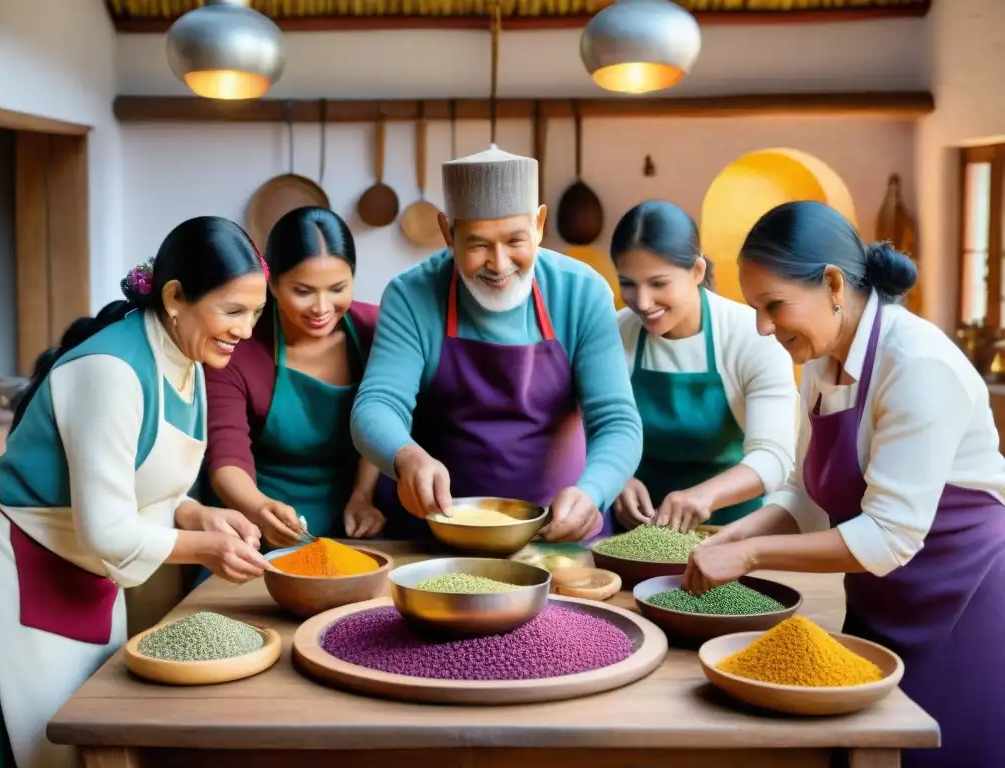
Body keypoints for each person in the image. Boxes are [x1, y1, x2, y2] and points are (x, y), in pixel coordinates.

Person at [683, 200, 1005, 767]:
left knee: (936, 749)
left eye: (773, 305)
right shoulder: (820, 360)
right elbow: (808, 492)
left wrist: (752, 554)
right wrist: (735, 535)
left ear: (832, 283)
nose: (762, 326)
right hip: (881, 599)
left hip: (960, 601)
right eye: (755, 308)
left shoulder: (917, 366)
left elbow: (887, 538)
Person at [0, 216, 273, 768]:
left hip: (96, 576)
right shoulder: (111, 372)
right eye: (232, 311)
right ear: (174, 298)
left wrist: (197, 516)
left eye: (256, 313)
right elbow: (106, 528)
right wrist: (208, 550)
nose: (245, 330)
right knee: (47, 742)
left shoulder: (187, 359)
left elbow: (143, 486)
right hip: (32, 575)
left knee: (92, 731)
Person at [351, 146, 642, 542]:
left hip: (557, 528)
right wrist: (406, 457)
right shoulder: (412, 295)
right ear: (447, 232)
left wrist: (594, 491)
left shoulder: (582, 292)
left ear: (539, 224)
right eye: (478, 245)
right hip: (439, 527)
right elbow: (377, 404)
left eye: (515, 241)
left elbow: (617, 421)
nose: (500, 263)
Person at [611, 201, 796, 532]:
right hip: (637, 529)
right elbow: (586, 429)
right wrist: (616, 476)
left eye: (658, 283)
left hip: (731, 530)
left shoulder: (750, 336)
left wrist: (704, 497)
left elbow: (775, 456)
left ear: (697, 271)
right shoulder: (614, 333)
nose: (641, 301)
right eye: (628, 283)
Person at [205, 206, 382, 546]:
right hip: (257, 526)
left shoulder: (376, 330)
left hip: (358, 523)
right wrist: (259, 509)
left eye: (337, 288)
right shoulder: (238, 347)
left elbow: (385, 416)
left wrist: (363, 495)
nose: (321, 307)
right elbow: (226, 459)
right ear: (272, 283)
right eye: (303, 291)